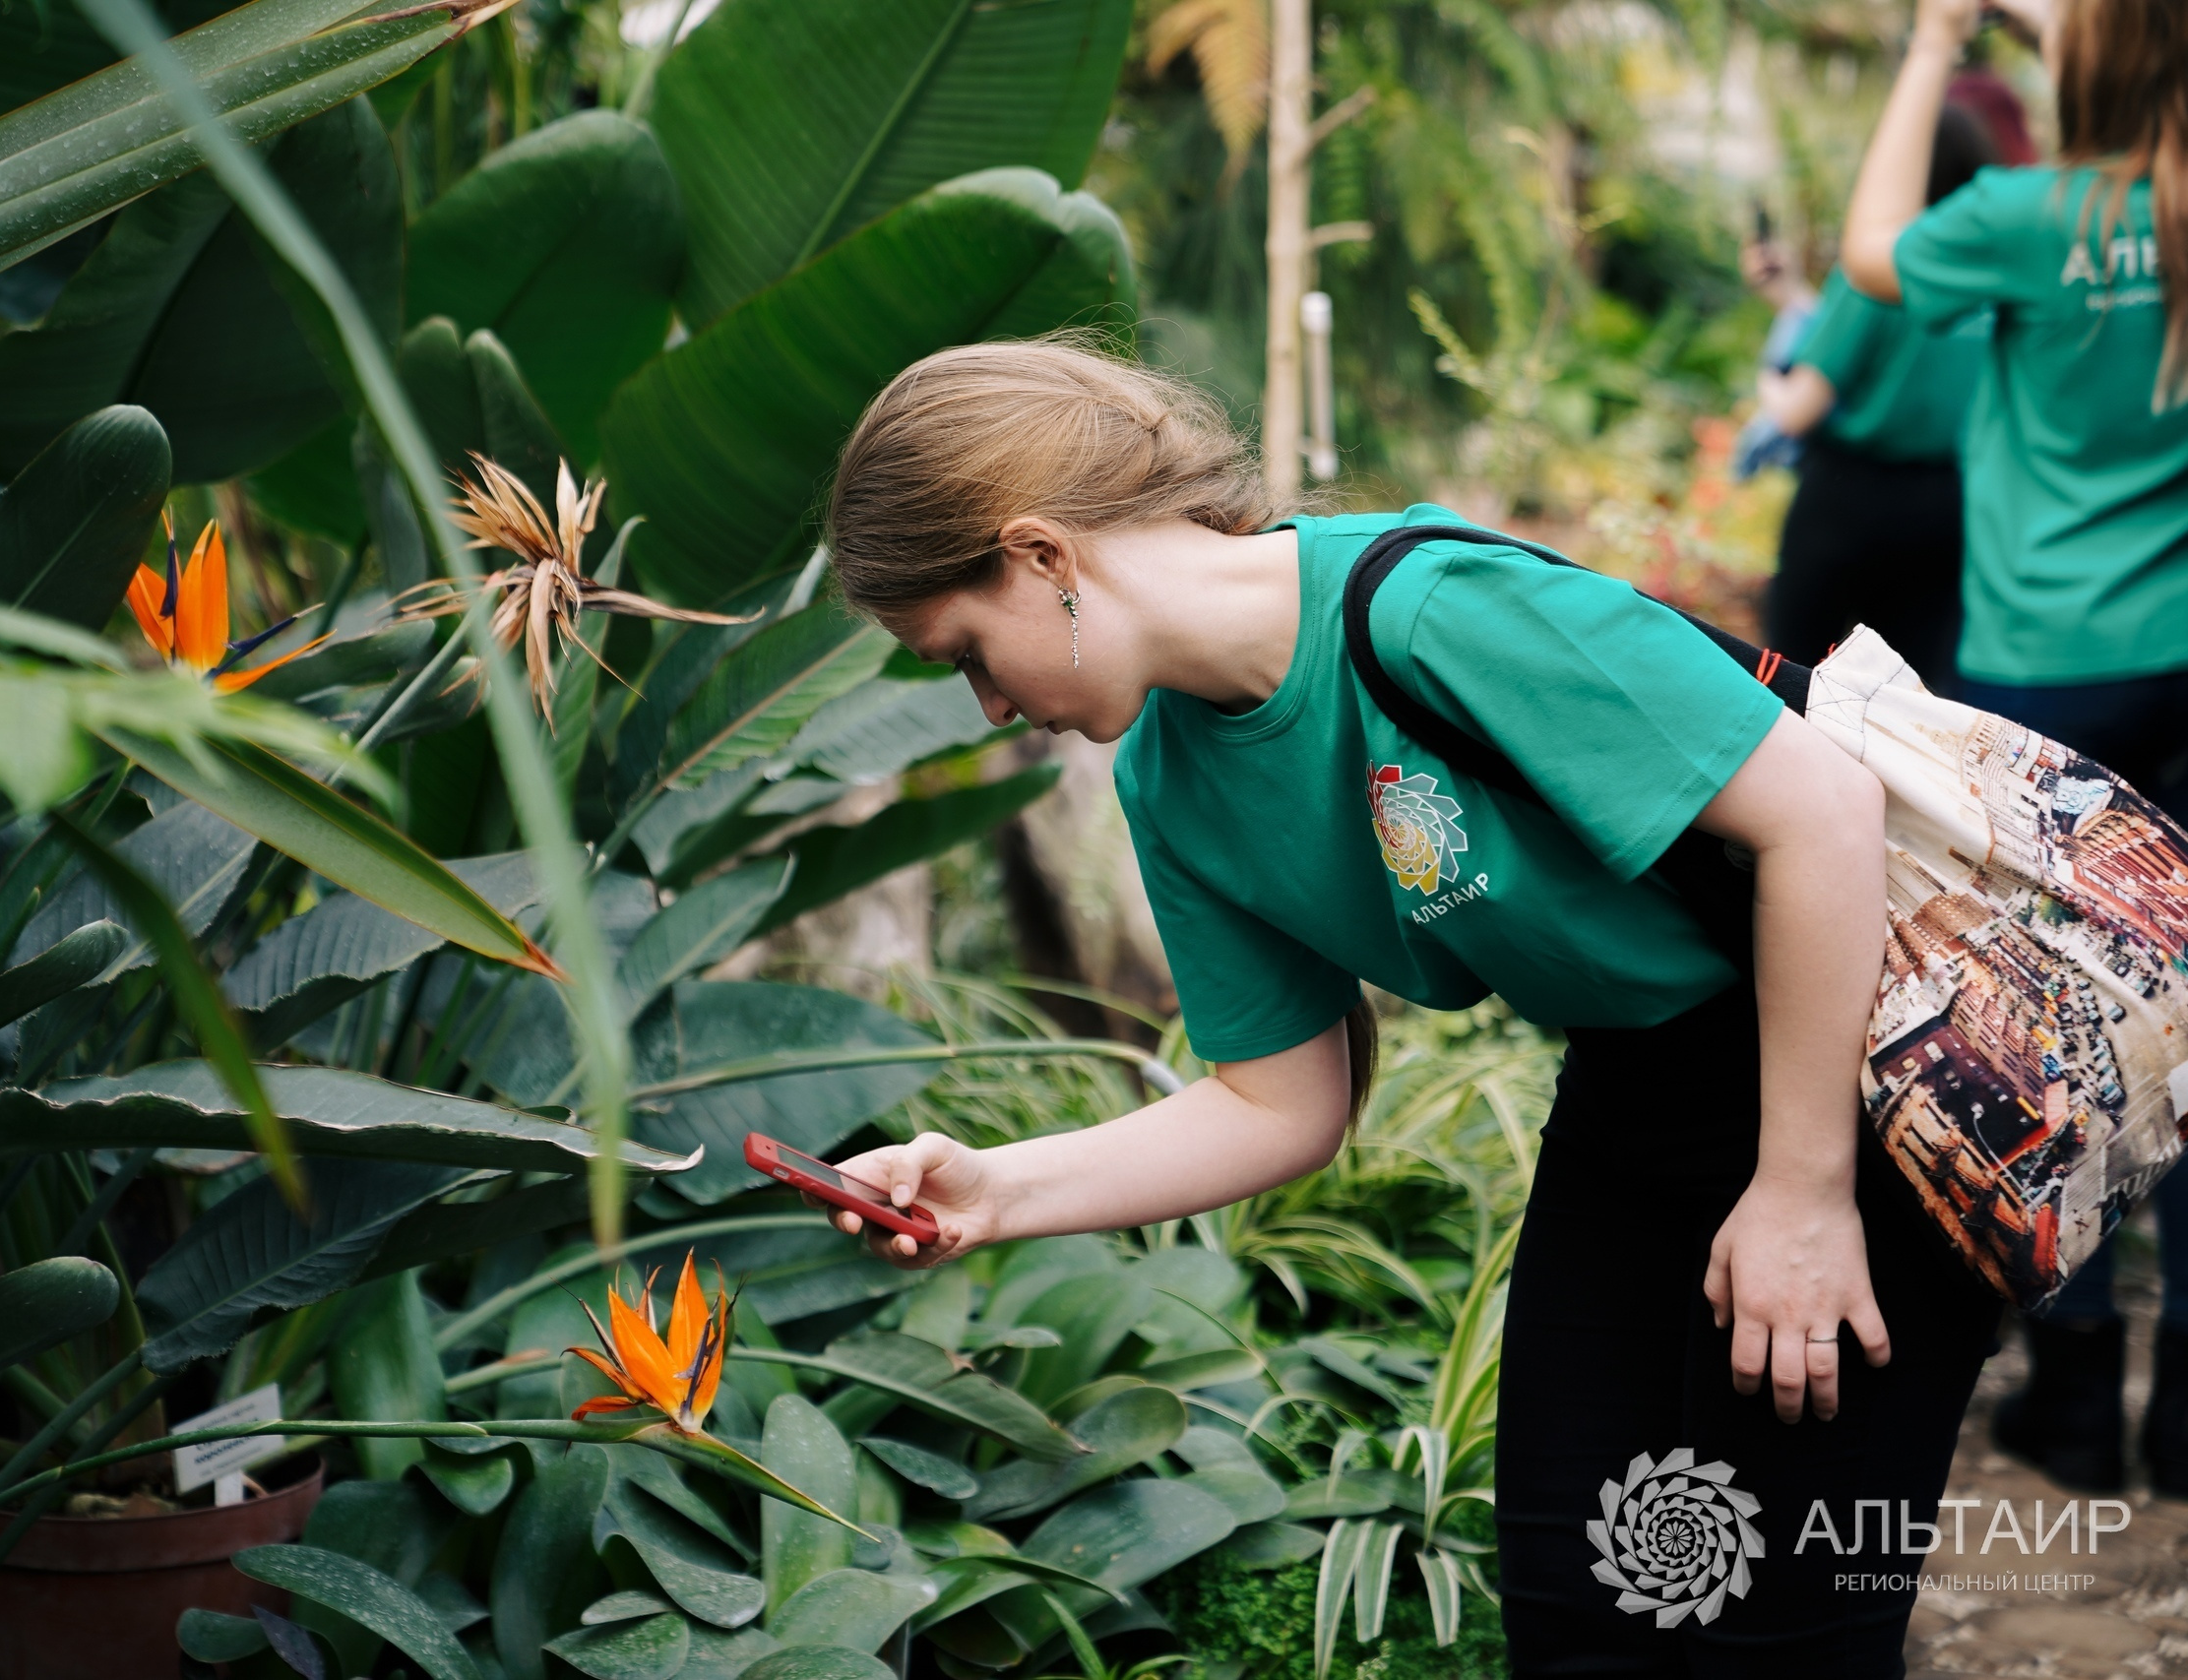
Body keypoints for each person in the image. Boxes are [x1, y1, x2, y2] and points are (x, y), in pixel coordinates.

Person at [813, 339, 2003, 1674]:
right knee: (1581, 1603)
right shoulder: (1172, 777)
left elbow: (1819, 814)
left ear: (1037, 555)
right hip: (1631, 1087)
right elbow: (1280, 1100)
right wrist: (992, 1189)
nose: (986, 703)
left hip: (1853, 1067)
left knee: (1789, 1629)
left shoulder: (1430, 610)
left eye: (964, 650)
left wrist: (1800, 1188)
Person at [1843, 0, 2188, 1497]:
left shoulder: (2024, 214)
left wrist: (1933, 41)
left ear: (2079, 64)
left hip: (2049, 672)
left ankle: (2071, 1401)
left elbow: (1869, 254)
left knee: (2052, 1034)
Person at [1755, 104, 1999, 685]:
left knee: (1796, 684)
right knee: (1915, 706)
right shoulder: (1992, 269)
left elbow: (1796, 410)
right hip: (1950, 509)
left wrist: (1769, 372)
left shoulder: (1875, 267)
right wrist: (1791, 300)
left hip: (1847, 505)